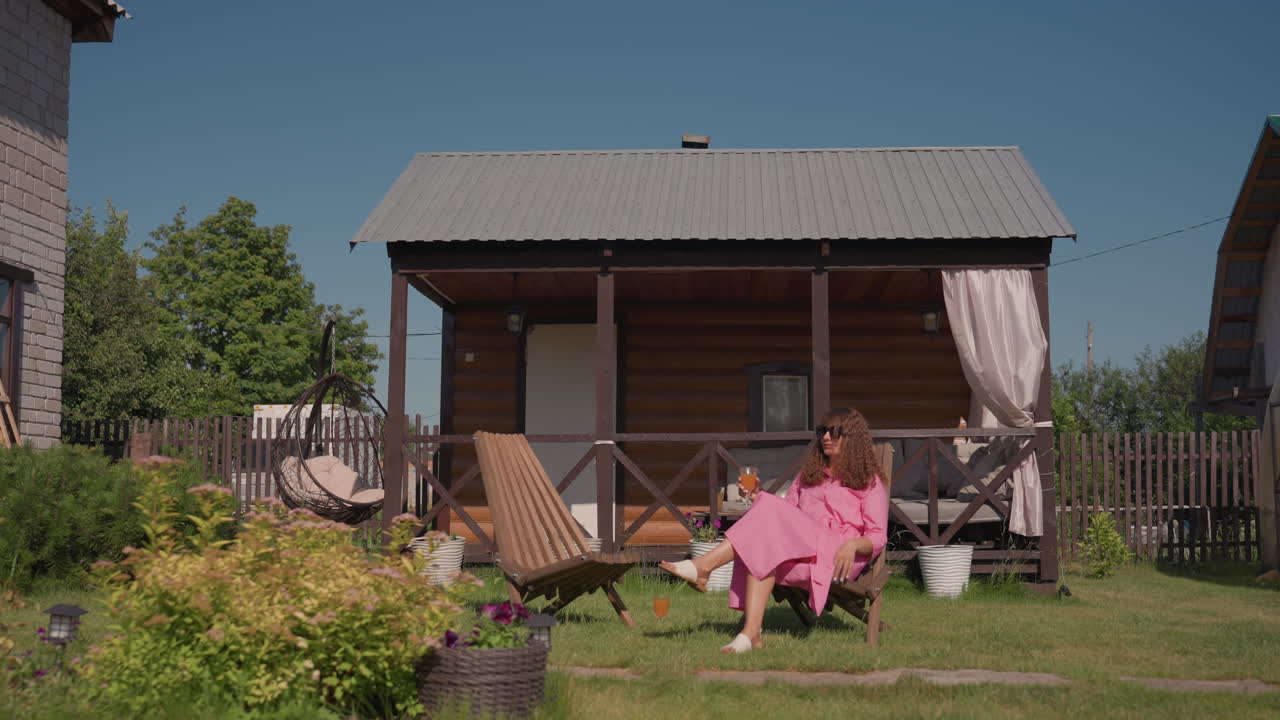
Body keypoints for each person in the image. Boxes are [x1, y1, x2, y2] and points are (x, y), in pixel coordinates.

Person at [660, 407, 889, 653]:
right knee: (761, 548)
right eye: (822, 431)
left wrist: (853, 545)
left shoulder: (869, 482)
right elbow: (785, 514)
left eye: (834, 432)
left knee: (765, 532)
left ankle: (704, 566)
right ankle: (751, 634)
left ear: (852, 437)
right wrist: (758, 497)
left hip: (839, 555)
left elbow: (878, 536)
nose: (825, 437)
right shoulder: (808, 476)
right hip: (803, 548)